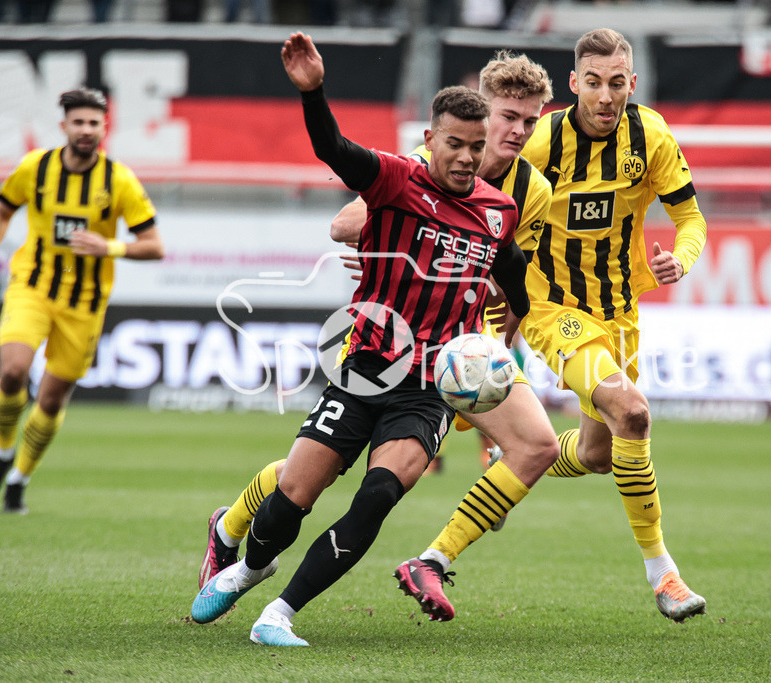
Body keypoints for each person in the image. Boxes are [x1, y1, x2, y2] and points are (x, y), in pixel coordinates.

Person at [189, 32, 530, 647]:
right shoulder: (396, 181)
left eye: (476, 148)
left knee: (376, 495)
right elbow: (332, 147)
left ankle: (281, 614)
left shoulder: (499, 207)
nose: (465, 157)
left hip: (430, 389)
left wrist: (508, 331)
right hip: (366, 368)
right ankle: (250, 565)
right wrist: (313, 91)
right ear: (430, 140)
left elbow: (512, 273)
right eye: (454, 144)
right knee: (291, 500)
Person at [398, 28, 710, 624]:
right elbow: (479, 189)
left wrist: (683, 257)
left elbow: (690, 218)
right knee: (635, 414)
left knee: (599, 453)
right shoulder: (540, 140)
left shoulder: (653, 137)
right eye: (592, 82)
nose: (604, 96)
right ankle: (662, 573)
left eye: (616, 83)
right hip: (552, 308)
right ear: (574, 84)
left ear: (631, 85)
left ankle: (501, 467)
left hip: (621, 313)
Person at [0, 88, 164, 514]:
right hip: (32, 287)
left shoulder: (119, 181)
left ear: (104, 128)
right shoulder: (34, 168)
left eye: (94, 123)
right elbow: (3, 210)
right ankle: (3, 453)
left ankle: (19, 479)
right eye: (78, 122)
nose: (86, 130)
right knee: (13, 372)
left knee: (53, 399)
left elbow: (154, 245)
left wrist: (109, 247)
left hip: (85, 304)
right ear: (63, 126)